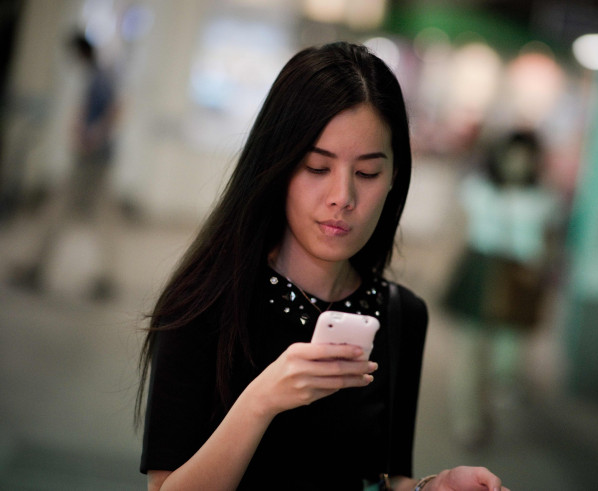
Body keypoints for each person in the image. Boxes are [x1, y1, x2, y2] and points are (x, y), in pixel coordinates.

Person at [136, 42, 509, 491]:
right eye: (317, 166)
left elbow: (384, 480)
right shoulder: (206, 304)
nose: (343, 197)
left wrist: (433, 487)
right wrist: (261, 402)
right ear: (277, 167)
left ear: (394, 179)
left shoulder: (399, 316)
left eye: (367, 173)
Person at [443, 129, 560, 448]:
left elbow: (550, 244)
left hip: (520, 279)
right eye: (513, 154)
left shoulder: (544, 199)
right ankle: (469, 423)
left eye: (526, 156)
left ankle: (491, 401)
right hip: (479, 270)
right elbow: (457, 230)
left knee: (507, 359)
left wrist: (544, 273)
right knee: (470, 352)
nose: (519, 163)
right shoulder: (478, 190)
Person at [9, 32, 120, 300]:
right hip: (95, 159)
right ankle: (104, 277)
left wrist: (92, 135)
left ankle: (36, 268)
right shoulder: (97, 76)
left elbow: (116, 109)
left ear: (82, 52)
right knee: (94, 215)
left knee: (58, 209)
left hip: (91, 160)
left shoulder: (99, 77)